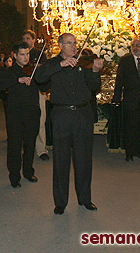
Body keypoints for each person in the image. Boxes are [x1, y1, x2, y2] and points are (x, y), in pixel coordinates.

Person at [35, 33, 102, 215]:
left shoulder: (83, 63)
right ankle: (60, 202)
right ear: (60, 46)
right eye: (69, 43)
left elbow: (94, 86)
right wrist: (60, 65)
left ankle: (85, 199)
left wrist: (95, 72)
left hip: (82, 114)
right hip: (61, 115)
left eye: (75, 43)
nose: (73, 47)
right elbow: (39, 78)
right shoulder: (51, 64)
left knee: (83, 159)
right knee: (61, 160)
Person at [0, 41, 42, 188]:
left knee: (30, 144)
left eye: (27, 54)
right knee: (15, 145)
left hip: (32, 113)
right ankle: (14, 175)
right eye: (22, 54)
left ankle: (28, 171)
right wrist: (18, 79)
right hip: (15, 114)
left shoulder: (33, 70)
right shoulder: (8, 72)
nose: (25, 57)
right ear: (14, 55)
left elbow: (45, 84)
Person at [112, 37, 140, 161]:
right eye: (133, 45)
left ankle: (139, 150)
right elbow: (119, 80)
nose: (135, 48)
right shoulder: (125, 60)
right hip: (130, 99)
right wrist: (116, 98)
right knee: (130, 126)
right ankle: (129, 152)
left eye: (138, 45)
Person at [22, 29, 50, 161]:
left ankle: (41, 149)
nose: (26, 41)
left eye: (28, 38)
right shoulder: (20, 53)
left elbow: (44, 70)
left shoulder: (40, 54)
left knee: (40, 120)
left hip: (38, 89)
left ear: (33, 40)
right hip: (24, 90)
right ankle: (26, 147)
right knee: (25, 120)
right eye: (24, 38)